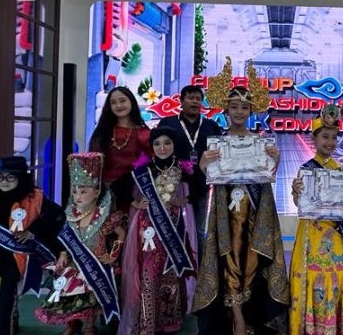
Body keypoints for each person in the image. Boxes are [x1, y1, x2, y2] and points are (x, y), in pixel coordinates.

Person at [192, 59, 288, 335]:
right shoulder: (217, 143)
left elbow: (268, 176)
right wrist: (203, 166)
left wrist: (275, 161)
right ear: (226, 109)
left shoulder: (261, 142)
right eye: (234, 106)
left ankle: (251, 315)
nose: (239, 112)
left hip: (257, 211)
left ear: (251, 110)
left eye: (244, 107)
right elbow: (208, 176)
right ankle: (237, 318)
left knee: (255, 259)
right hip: (228, 211)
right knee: (231, 258)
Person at [289, 104, 343, 335]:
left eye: (334, 137)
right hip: (313, 237)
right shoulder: (306, 169)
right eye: (325, 136)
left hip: (336, 236)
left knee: (337, 277)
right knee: (316, 278)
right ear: (314, 139)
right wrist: (296, 192)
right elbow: (299, 204)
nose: (330, 142)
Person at [0, 156, 65, 335]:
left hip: (19, 255)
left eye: (10, 177)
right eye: (0, 177)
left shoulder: (35, 197)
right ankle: (5, 323)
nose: (4, 182)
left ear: (21, 178)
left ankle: (2, 330)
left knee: (7, 291)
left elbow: (57, 214)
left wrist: (33, 230)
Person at [118, 126, 198, 335]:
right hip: (149, 231)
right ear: (151, 147)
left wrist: (186, 199)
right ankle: (148, 321)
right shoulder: (144, 169)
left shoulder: (182, 167)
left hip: (175, 228)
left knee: (171, 271)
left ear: (174, 145)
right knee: (149, 272)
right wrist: (135, 202)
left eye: (167, 143)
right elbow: (117, 188)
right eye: (157, 144)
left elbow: (201, 185)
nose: (162, 148)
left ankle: (169, 320)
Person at [35, 153, 126, 335]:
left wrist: (113, 255)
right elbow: (65, 239)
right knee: (69, 293)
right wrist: (62, 254)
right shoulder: (70, 215)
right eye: (75, 191)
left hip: (96, 263)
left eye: (83, 192)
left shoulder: (105, 216)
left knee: (89, 296)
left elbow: (121, 233)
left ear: (96, 192)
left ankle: (89, 326)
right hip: (74, 263)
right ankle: (72, 324)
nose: (78, 196)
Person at [157, 84, 222, 244]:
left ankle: (198, 260)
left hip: (201, 186)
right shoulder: (168, 123)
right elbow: (158, 152)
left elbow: (219, 156)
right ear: (181, 101)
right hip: (172, 185)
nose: (195, 102)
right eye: (190, 98)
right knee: (171, 227)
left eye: (198, 99)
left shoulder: (211, 126)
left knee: (198, 231)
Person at [88, 86, 153, 212]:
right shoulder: (103, 131)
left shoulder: (144, 133)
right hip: (102, 194)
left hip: (131, 194)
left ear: (131, 102)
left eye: (122, 100)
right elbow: (92, 163)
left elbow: (149, 165)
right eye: (113, 102)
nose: (118, 105)